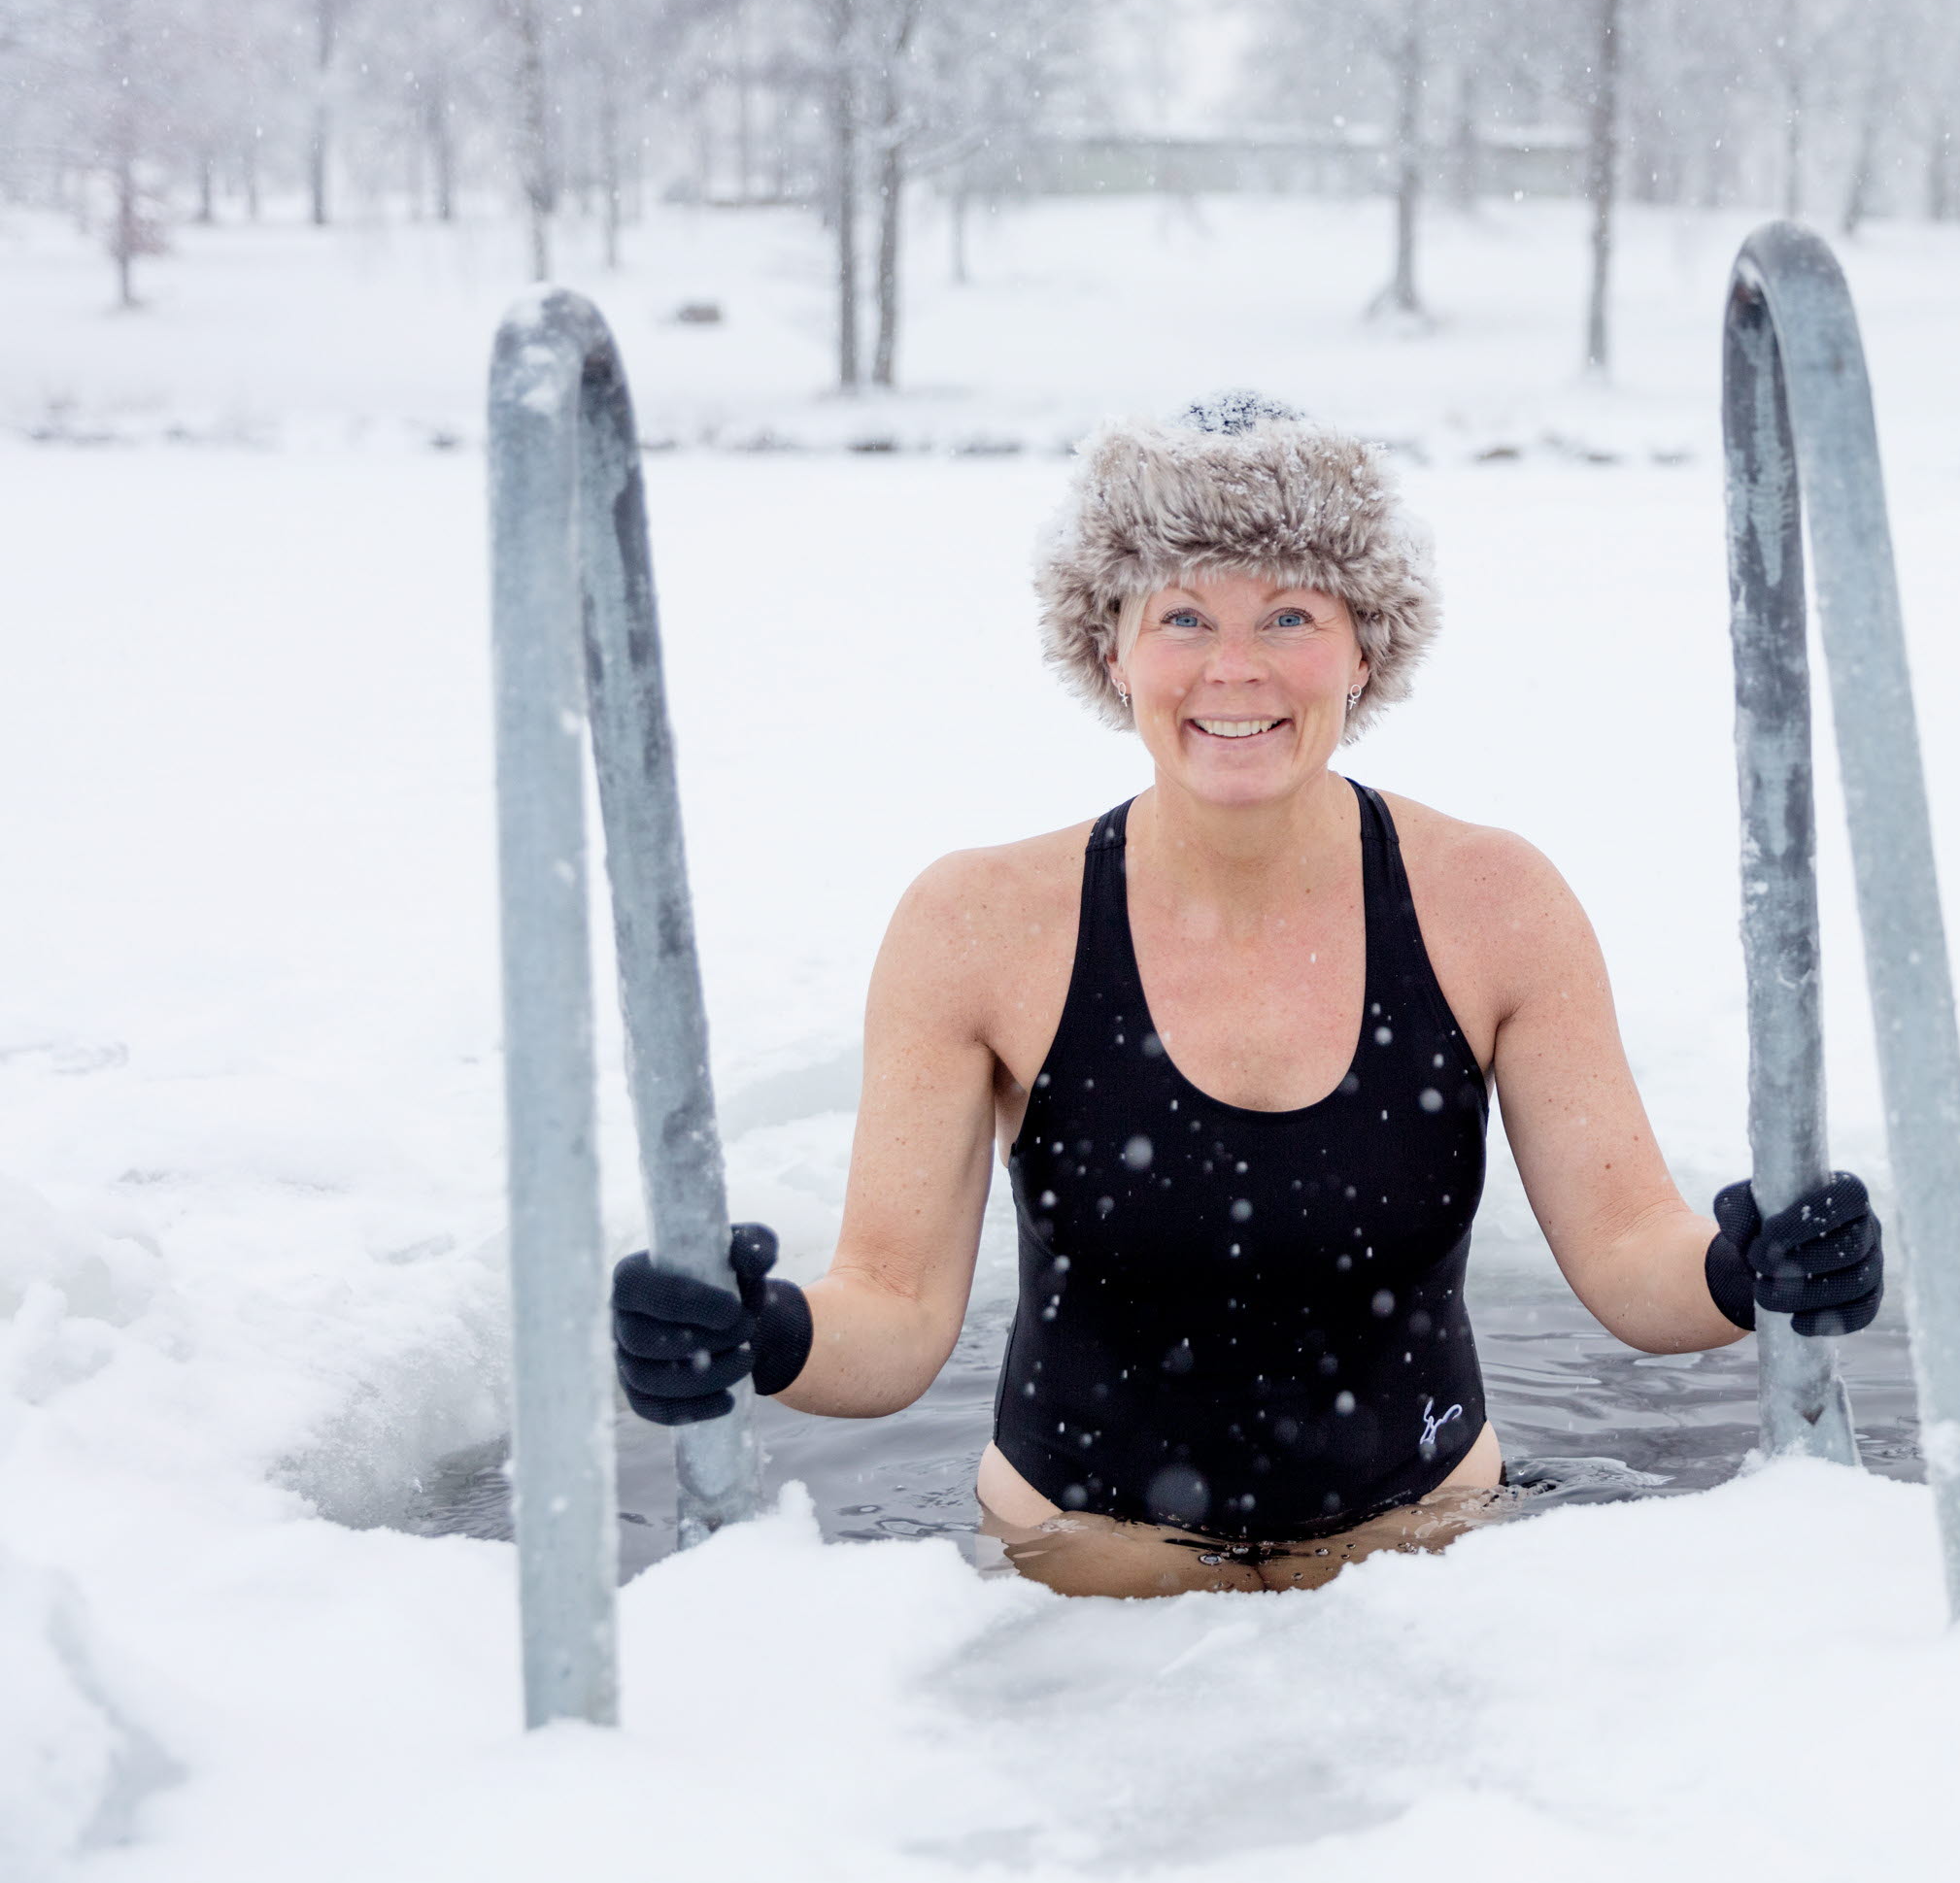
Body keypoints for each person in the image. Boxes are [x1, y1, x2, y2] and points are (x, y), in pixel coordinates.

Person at [611, 393, 1883, 1595]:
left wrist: (1747, 1268)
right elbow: (889, 1315)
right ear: (1107, 648)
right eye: (1181, 616)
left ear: (1363, 646)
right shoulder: (979, 924)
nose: (1234, 669)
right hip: (1073, 1588)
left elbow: (1626, 1260)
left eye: (1287, 614)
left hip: (1428, 1577)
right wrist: (756, 1335)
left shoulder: (1492, 902)